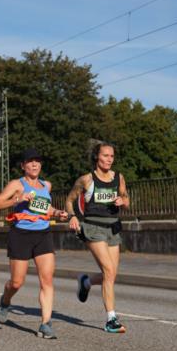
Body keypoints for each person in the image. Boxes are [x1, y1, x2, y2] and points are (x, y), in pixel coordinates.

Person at [0, 148, 69, 339]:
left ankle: (45, 323)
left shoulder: (46, 185)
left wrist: (57, 213)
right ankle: (5, 300)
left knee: (47, 279)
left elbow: (45, 207)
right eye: (30, 161)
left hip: (43, 233)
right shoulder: (17, 184)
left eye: (37, 161)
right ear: (23, 166)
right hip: (21, 234)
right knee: (17, 282)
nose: (34, 165)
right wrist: (18, 198)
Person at [66, 141, 130, 334]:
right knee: (109, 270)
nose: (109, 159)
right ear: (97, 157)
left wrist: (122, 201)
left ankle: (86, 282)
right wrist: (72, 216)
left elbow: (126, 199)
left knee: (111, 275)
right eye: (105, 156)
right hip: (93, 227)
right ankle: (111, 319)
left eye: (111, 156)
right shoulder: (86, 180)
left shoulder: (118, 178)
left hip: (113, 227)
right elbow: (69, 200)